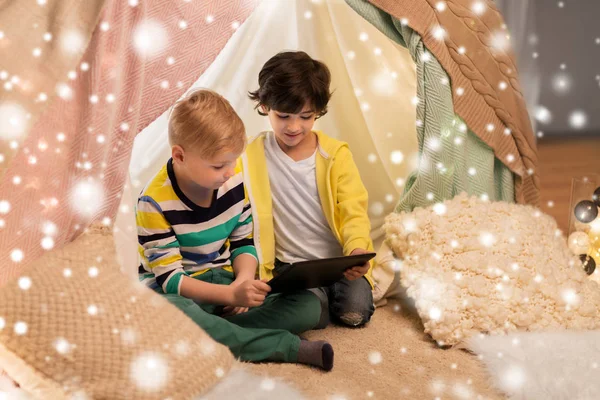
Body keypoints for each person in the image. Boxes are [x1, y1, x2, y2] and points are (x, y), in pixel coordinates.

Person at [136, 89, 334, 370]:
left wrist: (241, 282)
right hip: (181, 293)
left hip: (224, 280)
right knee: (169, 312)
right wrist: (230, 296)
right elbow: (171, 280)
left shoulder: (231, 177)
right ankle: (284, 347)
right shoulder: (153, 202)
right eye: (219, 165)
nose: (230, 171)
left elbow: (243, 243)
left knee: (307, 305)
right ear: (179, 156)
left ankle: (217, 332)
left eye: (232, 161)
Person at [242, 51, 375, 328]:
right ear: (265, 106)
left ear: (318, 111)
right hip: (288, 266)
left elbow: (353, 210)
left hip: (338, 266)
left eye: (305, 116)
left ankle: (326, 296)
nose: (294, 126)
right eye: (284, 115)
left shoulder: (335, 155)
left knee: (355, 313)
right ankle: (315, 300)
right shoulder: (251, 153)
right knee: (311, 311)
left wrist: (356, 250)